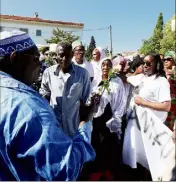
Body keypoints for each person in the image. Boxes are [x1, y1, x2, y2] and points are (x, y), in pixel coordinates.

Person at [0, 30, 95, 181]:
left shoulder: (82, 74)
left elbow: (85, 98)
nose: (40, 63)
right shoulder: (28, 107)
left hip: (70, 126)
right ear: (15, 58)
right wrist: (84, 122)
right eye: (36, 58)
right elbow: (65, 170)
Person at [123, 53, 171, 180]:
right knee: (139, 160)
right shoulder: (141, 78)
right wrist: (122, 69)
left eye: (149, 63)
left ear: (157, 65)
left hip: (153, 129)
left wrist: (143, 103)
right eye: (144, 63)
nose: (145, 65)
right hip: (138, 128)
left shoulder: (162, 82)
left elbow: (166, 106)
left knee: (154, 163)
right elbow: (125, 78)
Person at [79, 58, 126, 181]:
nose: (105, 67)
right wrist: (93, 99)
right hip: (97, 118)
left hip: (110, 118)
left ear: (112, 67)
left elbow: (122, 101)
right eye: (103, 65)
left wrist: (116, 119)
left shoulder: (117, 81)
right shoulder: (95, 82)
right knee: (97, 144)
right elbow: (88, 100)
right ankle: (97, 170)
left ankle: (110, 170)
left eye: (108, 65)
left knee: (110, 145)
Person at [39, 42, 91, 137]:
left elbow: (86, 101)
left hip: (74, 129)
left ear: (72, 55)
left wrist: (83, 126)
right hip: (55, 129)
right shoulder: (48, 73)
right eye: (61, 55)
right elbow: (44, 97)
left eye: (67, 56)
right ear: (56, 56)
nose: (64, 59)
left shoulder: (83, 74)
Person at [163, 51, 176, 130]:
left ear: (174, 59)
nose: (166, 61)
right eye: (164, 60)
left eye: (168, 59)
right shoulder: (162, 74)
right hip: (166, 110)